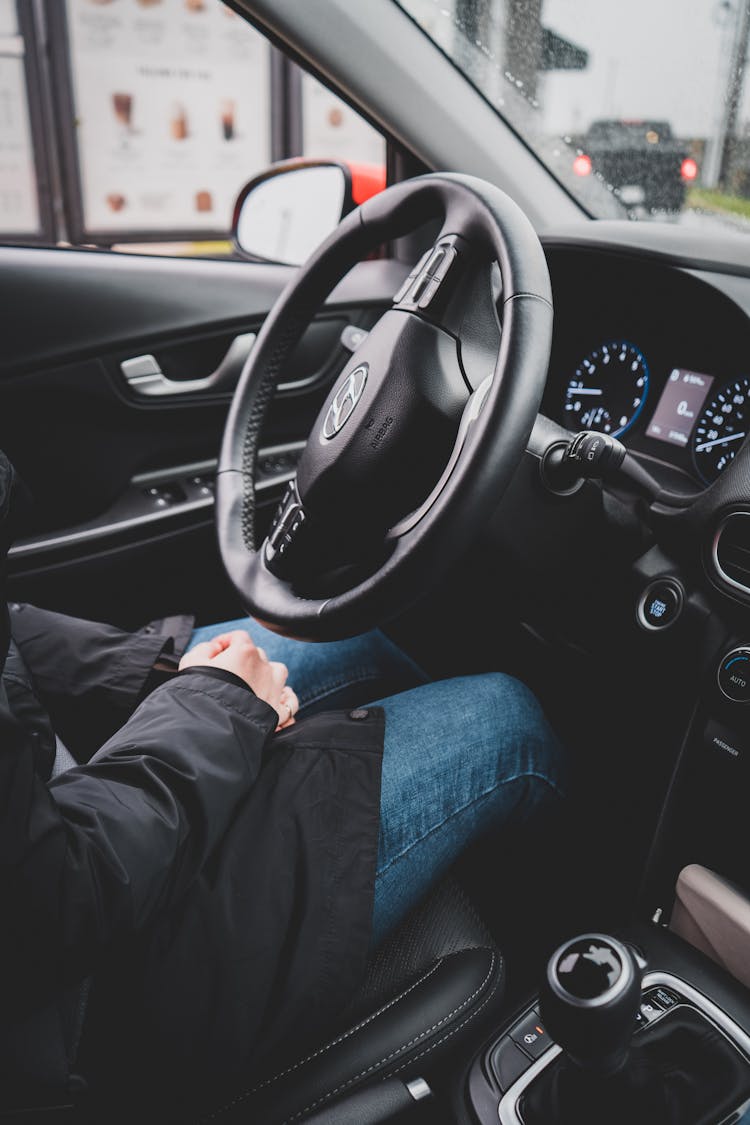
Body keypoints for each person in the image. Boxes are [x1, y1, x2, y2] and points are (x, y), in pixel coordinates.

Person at [0, 450, 565, 1118]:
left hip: (70, 812)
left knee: (361, 641)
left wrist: (156, 671)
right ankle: (565, 940)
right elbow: (51, 898)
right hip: (86, 1009)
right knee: (507, 721)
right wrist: (216, 704)